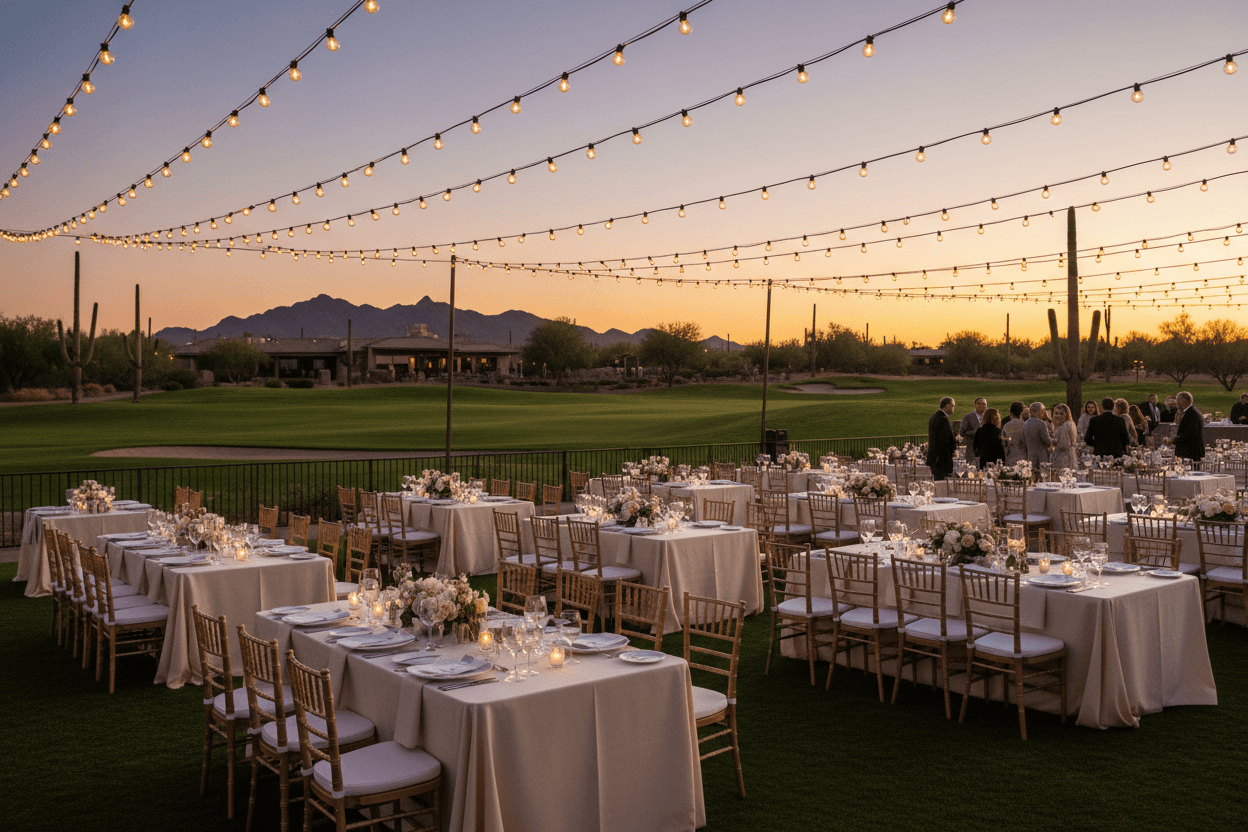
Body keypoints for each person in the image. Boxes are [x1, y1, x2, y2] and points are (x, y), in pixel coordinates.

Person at [926, 396, 957, 480]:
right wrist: (954, 443)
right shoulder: (942, 419)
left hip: (934, 457)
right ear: (948, 405)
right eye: (953, 406)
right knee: (941, 483)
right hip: (941, 459)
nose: (953, 408)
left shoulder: (934, 416)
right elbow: (944, 440)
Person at [1172, 391, 1205, 462]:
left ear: (1183, 400)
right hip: (1190, 454)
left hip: (1190, 455)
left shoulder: (1192, 414)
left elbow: (1189, 434)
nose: (1176, 403)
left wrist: (1173, 440)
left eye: (1177, 400)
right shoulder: (1191, 412)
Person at [1023, 402, 1054, 468]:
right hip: (1041, 457)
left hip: (1030, 456)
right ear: (1041, 411)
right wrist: (1054, 439)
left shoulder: (1025, 424)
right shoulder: (1041, 423)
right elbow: (1048, 441)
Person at [1050, 403, 1078, 471]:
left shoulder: (1066, 425)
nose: (1058, 415)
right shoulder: (1059, 426)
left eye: (1061, 414)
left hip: (1065, 458)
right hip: (1064, 456)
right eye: (1056, 413)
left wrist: (1052, 442)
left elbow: (1064, 445)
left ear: (1066, 415)